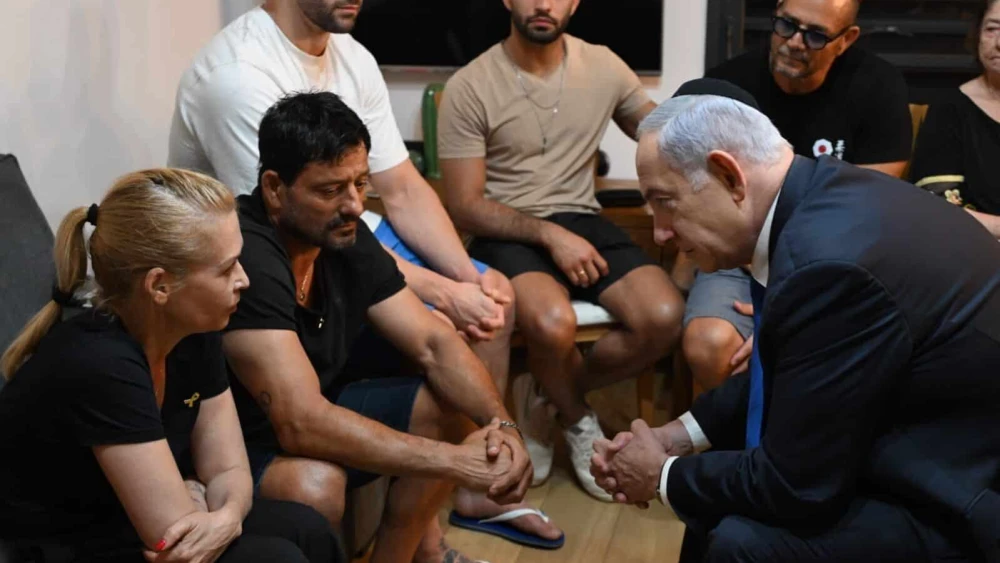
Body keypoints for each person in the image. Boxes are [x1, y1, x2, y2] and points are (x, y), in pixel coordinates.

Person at [591, 81, 1000, 562]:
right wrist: (676, 435)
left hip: (956, 500)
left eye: (665, 201)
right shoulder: (822, 196)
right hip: (917, 440)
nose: (659, 233)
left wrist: (659, 475)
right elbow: (800, 372)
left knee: (737, 540)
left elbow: (795, 486)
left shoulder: (828, 265)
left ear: (728, 175)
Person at [220, 92, 540, 563]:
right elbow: (299, 422)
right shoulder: (249, 253)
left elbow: (433, 343)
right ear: (273, 188)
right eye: (330, 190)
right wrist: (454, 462)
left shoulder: (344, 235)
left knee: (446, 400)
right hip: (234, 443)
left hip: (313, 408)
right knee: (318, 486)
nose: (354, 205)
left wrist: (503, 423)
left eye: (361, 184)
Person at [167, 0, 515, 395]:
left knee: (495, 294)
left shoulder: (353, 56)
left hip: (346, 232)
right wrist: (447, 295)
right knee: (447, 326)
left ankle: (498, 445)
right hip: (278, 252)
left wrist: (467, 281)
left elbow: (401, 186)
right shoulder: (237, 75)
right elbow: (301, 223)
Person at [0, 169, 341, 563]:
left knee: (308, 529)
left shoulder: (195, 329)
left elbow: (229, 468)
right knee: (276, 558)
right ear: (159, 286)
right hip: (64, 545)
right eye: (226, 268)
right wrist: (190, 493)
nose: (244, 279)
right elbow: (170, 538)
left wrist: (226, 516)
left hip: (129, 523)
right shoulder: (100, 363)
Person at [437, 0, 684, 503]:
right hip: (505, 228)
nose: (544, 4)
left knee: (664, 315)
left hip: (582, 217)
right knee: (552, 325)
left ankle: (545, 397)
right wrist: (549, 236)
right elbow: (463, 206)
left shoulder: (605, 66)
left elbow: (666, 134)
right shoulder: (471, 84)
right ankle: (578, 419)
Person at [684, 0, 915, 393]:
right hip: (740, 256)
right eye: (786, 25)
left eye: (815, 34)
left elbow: (868, 212)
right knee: (711, 343)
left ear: (846, 40)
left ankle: (799, 451)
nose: (794, 42)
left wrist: (790, 301)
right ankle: (730, 452)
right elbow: (703, 203)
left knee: (823, 346)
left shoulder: (878, 86)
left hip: (834, 264)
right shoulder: (727, 88)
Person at [910, 0, 1000, 236]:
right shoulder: (950, 108)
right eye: (992, 29)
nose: (999, 43)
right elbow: (937, 205)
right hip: (976, 248)